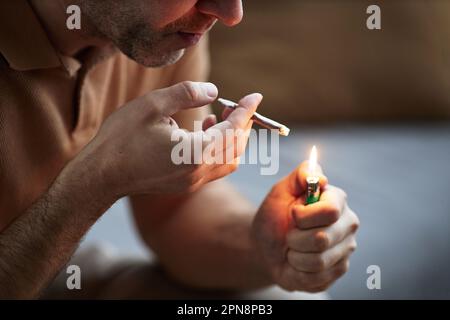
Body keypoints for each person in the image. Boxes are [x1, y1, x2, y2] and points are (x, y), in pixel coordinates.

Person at [0, 0, 359, 299]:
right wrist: (96, 182)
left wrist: (263, 246)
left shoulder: (163, 31)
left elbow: (175, 210)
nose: (231, 13)